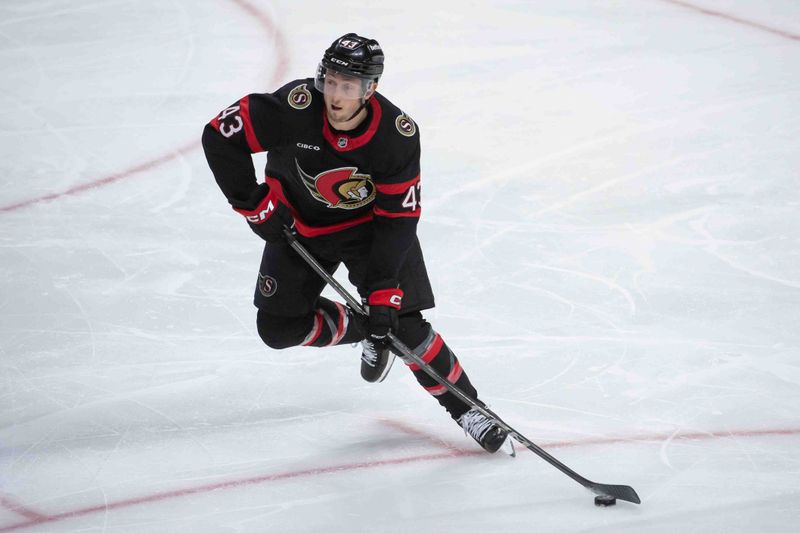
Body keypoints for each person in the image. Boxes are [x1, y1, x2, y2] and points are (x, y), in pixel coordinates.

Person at [202, 33, 508, 453]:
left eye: (348, 86)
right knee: (278, 328)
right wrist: (256, 206)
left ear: (370, 89)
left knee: (403, 322)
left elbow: (399, 219)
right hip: (298, 231)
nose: (334, 94)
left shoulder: (396, 135)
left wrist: (384, 291)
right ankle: (367, 329)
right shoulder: (294, 106)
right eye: (330, 80)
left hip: (370, 232)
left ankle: (470, 409)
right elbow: (219, 137)